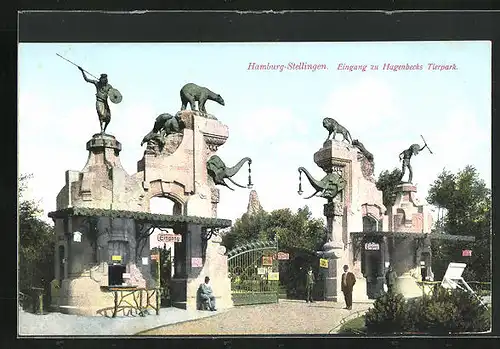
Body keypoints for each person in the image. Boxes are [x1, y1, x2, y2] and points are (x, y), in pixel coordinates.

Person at [78, 67, 114, 134]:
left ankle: (104, 130)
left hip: (105, 102)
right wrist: (82, 71)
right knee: (101, 114)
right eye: (103, 78)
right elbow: (87, 79)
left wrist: (113, 95)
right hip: (99, 101)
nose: (104, 80)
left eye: (105, 79)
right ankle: (102, 130)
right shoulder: (97, 83)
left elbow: (113, 94)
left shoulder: (109, 86)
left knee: (108, 117)